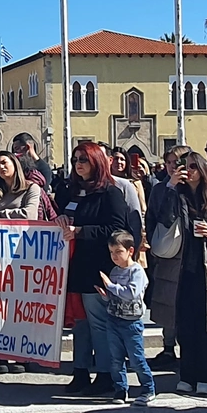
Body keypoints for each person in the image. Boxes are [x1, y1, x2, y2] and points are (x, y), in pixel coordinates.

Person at [59, 141, 142, 395]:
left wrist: (81, 231)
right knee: (81, 324)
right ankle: (81, 371)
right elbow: (70, 216)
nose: (78, 165)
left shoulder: (110, 192)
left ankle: (106, 375)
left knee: (99, 324)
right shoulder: (75, 191)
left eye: (83, 160)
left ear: (95, 161)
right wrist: (62, 218)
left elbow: (118, 229)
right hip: (79, 266)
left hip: (100, 267)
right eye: (75, 160)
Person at [169, 151, 207, 395]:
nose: (189, 170)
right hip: (183, 267)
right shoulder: (176, 195)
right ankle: (186, 376)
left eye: (194, 166)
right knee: (185, 325)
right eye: (185, 166)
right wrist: (171, 185)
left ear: (203, 170)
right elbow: (162, 218)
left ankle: (206, 375)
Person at [95, 230, 155, 406]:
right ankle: (120, 389)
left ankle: (148, 388)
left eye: (118, 252)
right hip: (114, 319)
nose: (114, 256)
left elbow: (131, 293)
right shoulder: (114, 271)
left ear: (130, 251)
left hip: (132, 323)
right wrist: (106, 295)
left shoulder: (136, 272)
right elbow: (115, 296)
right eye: (112, 252)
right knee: (116, 358)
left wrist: (111, 286)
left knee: (136, 358)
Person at [144, 145, 191, 366]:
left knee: (190, 302)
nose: (173, 166)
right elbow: (155, 216)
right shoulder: (160, 188)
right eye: (170, 162)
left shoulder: (196, 185)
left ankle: (190, 347)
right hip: (168, 252)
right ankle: (169, 348)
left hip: (191, 252)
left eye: (178, 162)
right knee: (168, 301)